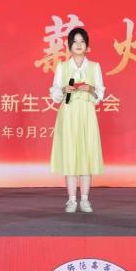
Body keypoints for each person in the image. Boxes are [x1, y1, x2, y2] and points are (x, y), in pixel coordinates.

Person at [50, 27, 105, 213]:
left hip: (87, 112)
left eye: (82, 42)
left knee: (86, 155)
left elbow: (100, 93)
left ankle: (85, 199)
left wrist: (90, 89)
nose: (79, 45)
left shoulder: (94, 67)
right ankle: (72, 200)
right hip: (68, 112)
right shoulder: (62, 67)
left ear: (87, 46)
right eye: (75, 42)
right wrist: (64, 90)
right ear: (69, 46)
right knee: (70, 155)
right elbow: (55, 94)